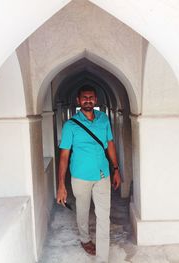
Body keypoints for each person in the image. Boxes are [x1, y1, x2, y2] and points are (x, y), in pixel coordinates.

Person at [56, 85, 121, 263]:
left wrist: (116, 169)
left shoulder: (104, 119)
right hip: (80, 177)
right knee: (83, 210)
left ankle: (102, 258)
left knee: (103, 216)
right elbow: (64, 156)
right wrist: (61, 184)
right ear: (78, 101)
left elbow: (110, 144)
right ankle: (85, 239)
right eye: (84, 97)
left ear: (96, 100)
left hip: (102, 175)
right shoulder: (70, 125)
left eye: (91, 97)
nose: (88, 100)